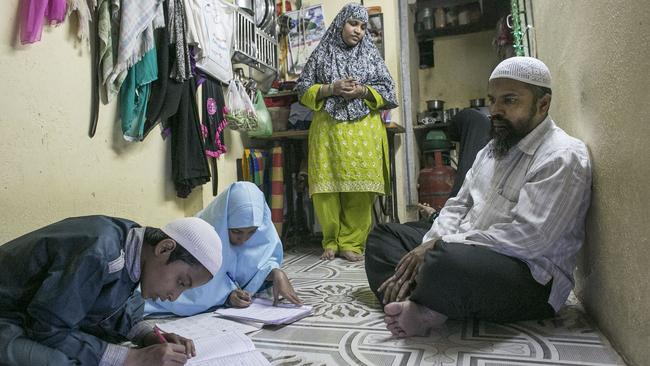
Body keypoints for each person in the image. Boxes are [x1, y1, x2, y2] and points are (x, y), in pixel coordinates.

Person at [364, 57, 592, 338]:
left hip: (529, 276)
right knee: (383, 237)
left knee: (445, 260)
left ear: (542, 104)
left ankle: (425, 302)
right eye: (492, 100)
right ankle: (429, 299)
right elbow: (458, 205)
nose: (495, 110)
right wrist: (430, 242)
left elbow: (528, 238)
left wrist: (439, 246)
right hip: (468, 246)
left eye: (509, 100)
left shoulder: (562, 156)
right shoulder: (493, 149)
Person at [0, 215, 223, 366]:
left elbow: (109, 302)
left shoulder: (132, 244)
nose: (173, 296)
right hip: (8, 316)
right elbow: (48, 329)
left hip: (27, 315)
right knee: (61, 361)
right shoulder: (100, 251)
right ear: (164, 248)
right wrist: (134, 358)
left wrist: (149, 337)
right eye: (181, 282)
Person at [295, 3, 398, 262]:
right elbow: (303, 89)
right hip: (329, 130)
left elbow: (389, 92)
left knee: (361, 188)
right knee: (327, 188)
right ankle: (330, 240)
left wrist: (363, 91)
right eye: (354, 24)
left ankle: (352, 242)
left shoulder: (371, 55)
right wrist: (332, 88)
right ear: (341, 23)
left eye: (363, 27)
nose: (359, 31)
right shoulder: (322, 53)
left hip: (364, 130)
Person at [145, 182, 301, 316]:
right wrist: (226, 296)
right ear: (223, 220)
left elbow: (258, 264)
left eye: (252, 232)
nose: (243, 240)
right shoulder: (198, 237)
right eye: (236, 232)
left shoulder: (257, 237)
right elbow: (190, 289)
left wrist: (275, 273)